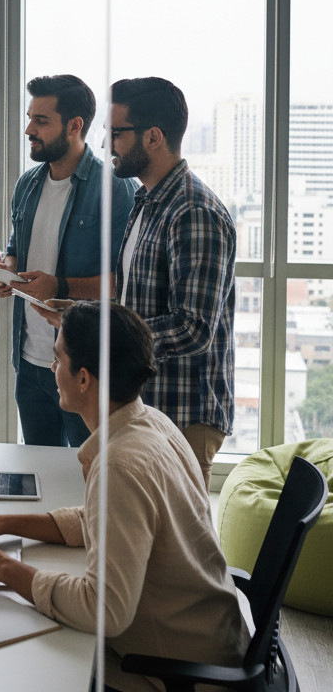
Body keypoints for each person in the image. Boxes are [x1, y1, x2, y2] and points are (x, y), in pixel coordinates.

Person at [0, 302, 249, 692]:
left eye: (58, 359)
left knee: (28, 669)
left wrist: (2, 569)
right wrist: (3, 523)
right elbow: (103, 522)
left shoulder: (120, 464)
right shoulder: (153, 423)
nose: (52, 368)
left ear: (84, 378)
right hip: (209, 652)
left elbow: (101, 608)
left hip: (181, 689)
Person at [0, 75, 136, 448]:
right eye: (29, 118)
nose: (28, 130)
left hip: (84, 369)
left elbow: (126, 279)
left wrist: (60, 286)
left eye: (41, 121)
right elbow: (15, 246)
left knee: (88, 479)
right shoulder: (27, 184)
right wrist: (6, 269)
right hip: (29, 362)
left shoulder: (115, 188)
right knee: (38, 475)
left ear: (75, 126)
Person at [109, 77, 236, 492]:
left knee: (181, 550)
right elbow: (135, 303)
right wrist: (83, 316)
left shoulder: (193, 210)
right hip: (152, 406)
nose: (109, 143)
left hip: (185, 414)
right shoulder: (146, 201)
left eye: (117, 133)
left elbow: (193, 326)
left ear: (153, 137)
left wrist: (109, 336)